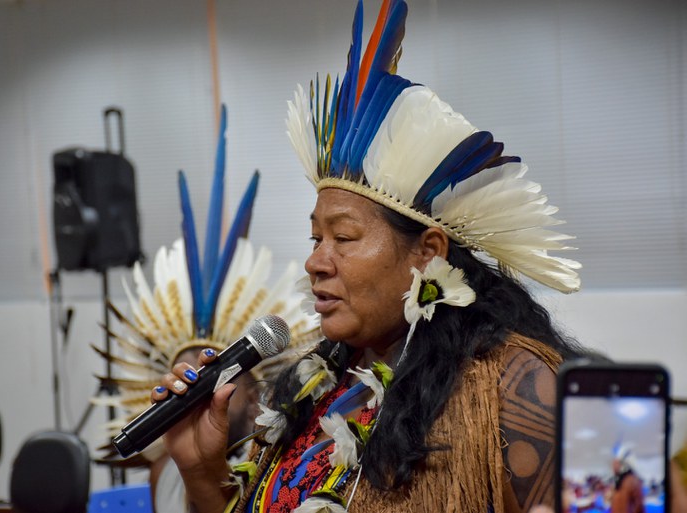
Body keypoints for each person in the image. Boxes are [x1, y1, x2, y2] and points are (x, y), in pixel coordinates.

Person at [152, 1, 588, 512]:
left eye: (345, 237)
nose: (317, 261)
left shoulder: (514, 388)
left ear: (426, 254)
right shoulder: (310, 392)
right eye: (316, 239)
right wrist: (202, 473)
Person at [92, 105, 317, 511]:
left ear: (254, 400)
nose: (195, 393)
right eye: (189, 379)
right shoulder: (164, 473)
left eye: (212, 381)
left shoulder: (280, 475)